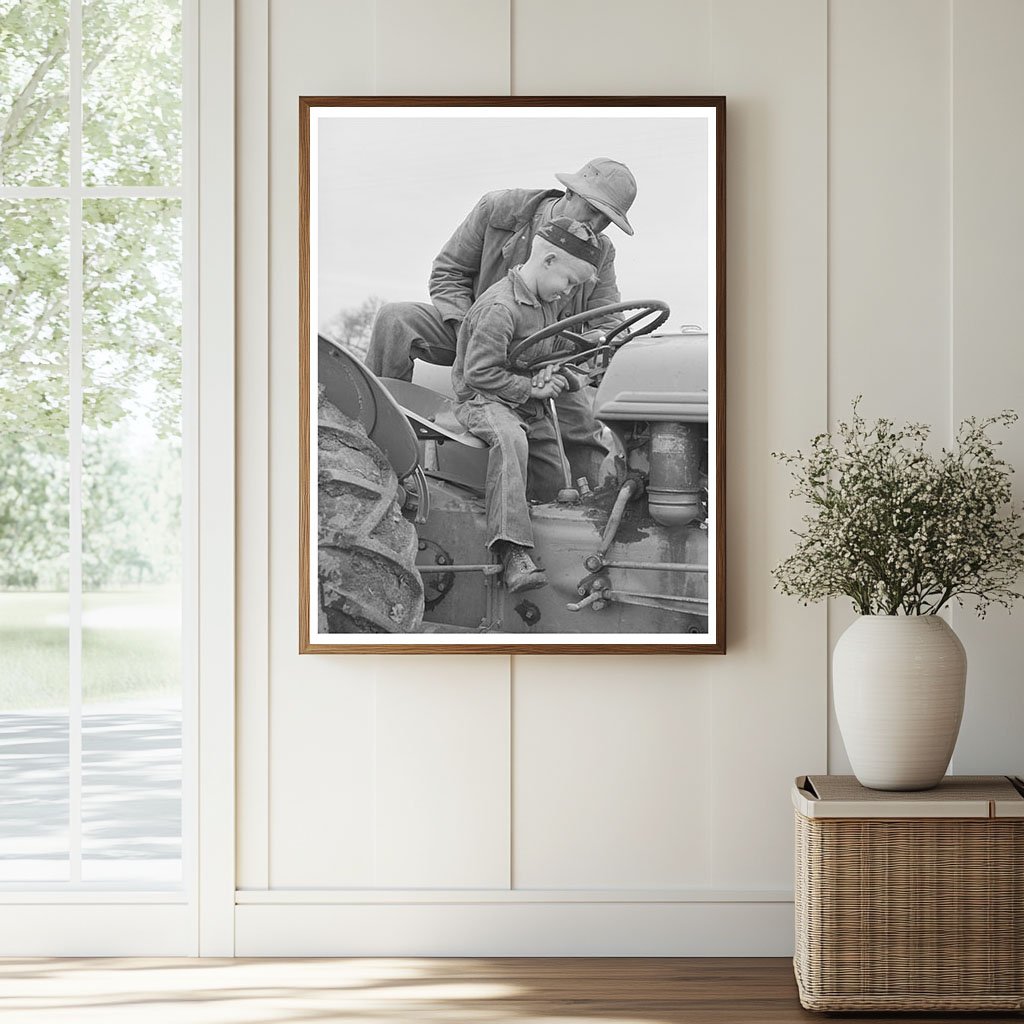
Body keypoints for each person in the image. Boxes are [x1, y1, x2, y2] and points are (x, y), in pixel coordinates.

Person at [366, 158, 638, 496]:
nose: (596, 224)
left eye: (607, 220)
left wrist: (570, 360)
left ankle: (593, 513)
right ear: (570, 192)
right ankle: (370, 445)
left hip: (541, 360)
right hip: (472, 330)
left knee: (580, 431)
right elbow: (447, 273)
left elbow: (607, 318)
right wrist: (478, 329)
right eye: (593, 210)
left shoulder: (600, 251)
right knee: (395, 319)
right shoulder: (501, 210)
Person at [451, 218, 602, 593]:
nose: (568, 293)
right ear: (548, 260)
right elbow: (478, 373)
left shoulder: (545, 301)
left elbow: (545, 354)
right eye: (569, 282)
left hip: (519, 402)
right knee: (511, 440)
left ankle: (560, 540)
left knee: (554, 462)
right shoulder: (500, 307)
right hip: (482, 400)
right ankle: (510, 550)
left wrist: (564, 371)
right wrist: (530, 389)